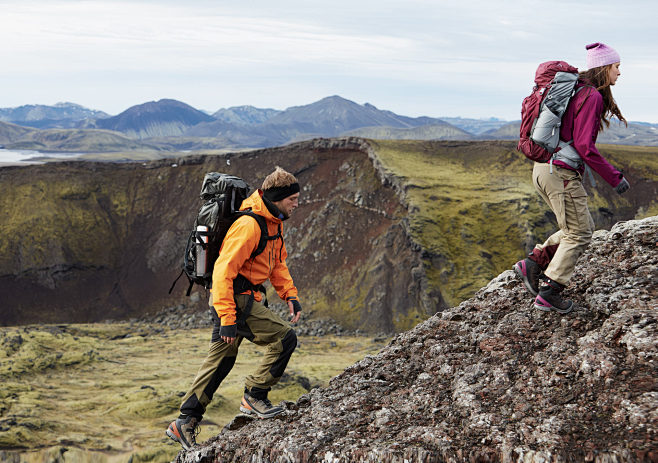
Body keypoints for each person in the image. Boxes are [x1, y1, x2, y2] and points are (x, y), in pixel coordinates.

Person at [166, 166, 303, 451]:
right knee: (284, 338)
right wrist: (228, 317)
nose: (296, 204)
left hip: (240, 300)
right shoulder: (250, 225)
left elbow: (277, 264)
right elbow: (222, 271)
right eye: (292, 199)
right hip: (235, 300)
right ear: (278, 198)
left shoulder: (273, 223)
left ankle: (185, 421)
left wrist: (289, 295)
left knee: (221, 360)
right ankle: (255, 395)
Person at [514, 42, 630, 314]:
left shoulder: (576, 90)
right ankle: (550, 291)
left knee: (581, 227)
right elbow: (585, 147)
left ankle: (533, 263)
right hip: (559, 173)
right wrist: (615, 178)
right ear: (604, 68)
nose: (619, 73)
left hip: (544, 169)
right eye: (616, 67)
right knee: (579, 233)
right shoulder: (591, 96)